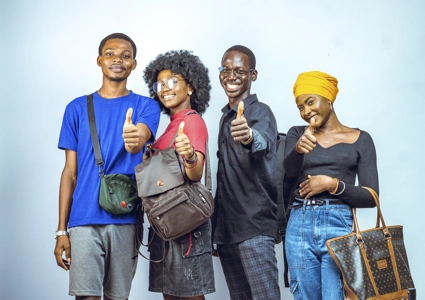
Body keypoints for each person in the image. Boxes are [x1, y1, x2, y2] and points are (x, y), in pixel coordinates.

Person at [54, 32, 160, 300]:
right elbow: (70, 172)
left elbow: (140, 138)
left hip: (126, 219)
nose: (118, 60)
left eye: (126, 56)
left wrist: (134, 139)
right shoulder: (76, 108)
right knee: (86, 296)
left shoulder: (146, 106)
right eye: (110, 54)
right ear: (99, 60)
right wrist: (61, 230)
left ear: (134, 64)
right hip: (83, 220)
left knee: (117, 298)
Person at [283, 71, 379, 299]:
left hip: (339, 227)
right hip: (299, 224)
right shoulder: (297, 134)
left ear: (329, 99)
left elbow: (371, 197)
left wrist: (332, 184)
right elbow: (287, 174)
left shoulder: (360, 139)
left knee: (335, 295)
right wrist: (298, 150)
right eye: (300, 107)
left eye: (310, 102)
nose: (306, 112)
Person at [143, 49, 215, 300]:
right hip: (168, 224)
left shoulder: (191, 121)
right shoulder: (170, 126)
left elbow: (194, 175)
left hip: (186, 227)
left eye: (172, 81)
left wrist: (191, 157)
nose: (165, 88)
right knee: (173, 296)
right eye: (159, 84)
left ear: (191, 87)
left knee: (188, 295)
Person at [213, 45, 281, 300]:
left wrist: (249, 136)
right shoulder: (225, 118)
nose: (231, 76)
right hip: (227, 231)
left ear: (253, 75)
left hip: (254, 227)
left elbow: (262, 141)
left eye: (239, 71)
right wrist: (215, 231)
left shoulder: (260, 112)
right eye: (226, 70)